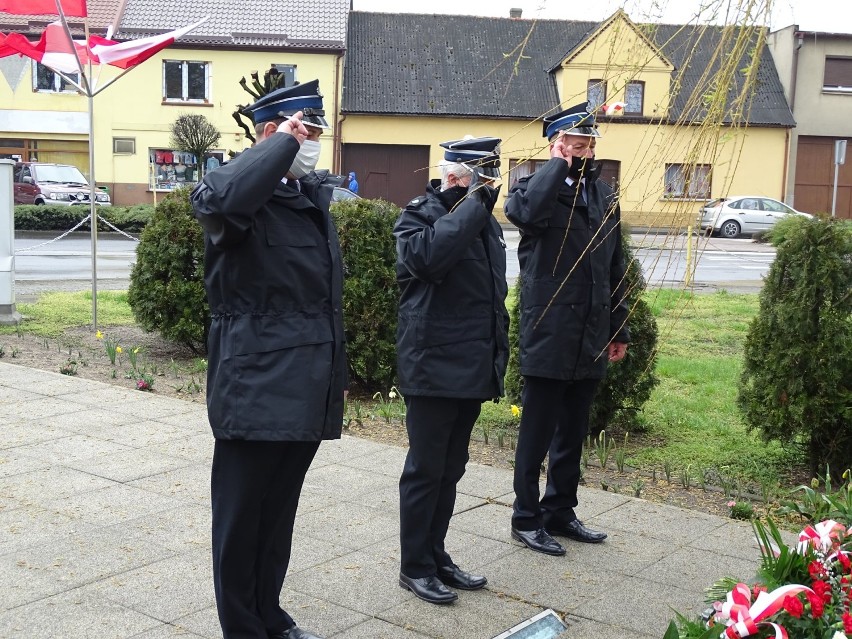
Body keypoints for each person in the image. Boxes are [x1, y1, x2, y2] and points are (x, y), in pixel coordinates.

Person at [191, 79, 346, 639]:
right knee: (240, 523)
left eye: (314, 133)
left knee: (277, 518)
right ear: (269, 134)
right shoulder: (235, 197)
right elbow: (221, 200)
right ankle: (242, 627)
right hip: (253, 386)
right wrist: (279, 145)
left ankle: (268, 613)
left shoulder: (304, 200)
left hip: (304, 388)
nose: (311, 143)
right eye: (302, 131)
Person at [506, 102, 630, 557]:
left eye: (588, 143)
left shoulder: (603, 195)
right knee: (536, 431)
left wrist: (619, 330)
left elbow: (616, 267)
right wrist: (555, 166)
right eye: (573, 143)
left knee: (573, 431)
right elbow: (523, 216)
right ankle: (525, 516)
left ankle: (560, 510)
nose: (583, 150)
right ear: (556, 144)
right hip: (551, 329)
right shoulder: (533, 189)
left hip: (591, 333)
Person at [394, 136, 510, 604]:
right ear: (458, 178)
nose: (491, 191)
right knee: (426, 469)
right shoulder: (420, 213)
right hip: (432, 364)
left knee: (451, 468)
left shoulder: (483, 223)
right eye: (485, 181)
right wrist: (471, 207)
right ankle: (414, 565)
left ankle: (436, 553)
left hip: (470, 364)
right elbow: (426, 260)